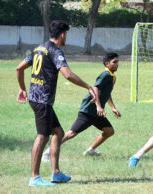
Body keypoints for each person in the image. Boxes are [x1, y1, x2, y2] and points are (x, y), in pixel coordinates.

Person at [16, 20, 96, 186]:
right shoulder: (54, 51)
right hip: (42, 101)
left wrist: (23, 89)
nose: (66, 37)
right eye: (66, 34)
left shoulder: (40, 47)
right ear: (62, 35)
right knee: (43, 136)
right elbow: (68, 74)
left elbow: (19, 67)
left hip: (36, 98)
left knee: (58, 133)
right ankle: (34, 177)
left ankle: (56, 173)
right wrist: (88, 86)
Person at [42, 52, 121, 161]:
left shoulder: (112, 77)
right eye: (114, 62)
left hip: (97, 113)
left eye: (118, 61)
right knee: (71, 133)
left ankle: (91, 150)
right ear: (107, 64)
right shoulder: (105, 75)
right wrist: (98, 106)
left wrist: (113, 107)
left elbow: (107, 93)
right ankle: (47, 152)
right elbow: (95, 89)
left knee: (109, 131)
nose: (117, 64)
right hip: (89, 110)